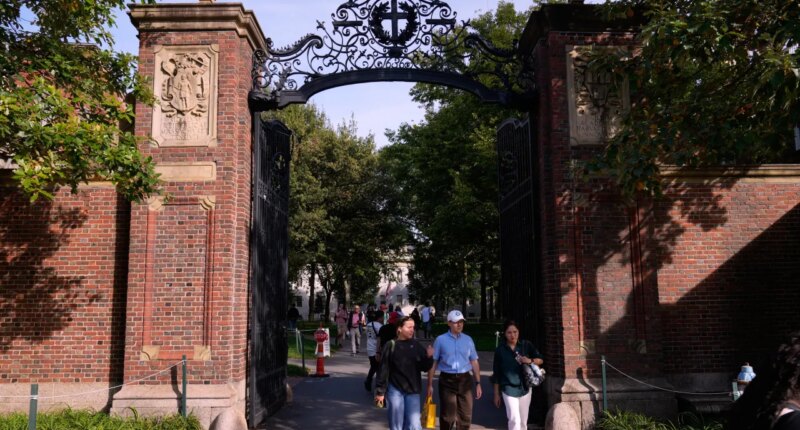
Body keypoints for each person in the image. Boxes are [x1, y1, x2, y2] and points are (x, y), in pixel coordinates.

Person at [375, 316, 435, 430]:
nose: (412, 330)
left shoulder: (416, 345)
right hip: (395, 390)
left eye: (413, 327)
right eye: (409, 327)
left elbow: (425, 367)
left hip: (413, 390)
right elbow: (383, 369)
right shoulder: (391, 345)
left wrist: (429, 357)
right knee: (396, 425)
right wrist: (380, 392)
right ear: (399, 328)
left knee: (414, 425)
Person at [427, 309, 482, 430]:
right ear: (449, 323)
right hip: (447, 380)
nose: (459, 324)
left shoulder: (468, 340)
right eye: (456, 322)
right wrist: (429, 384)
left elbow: (474, 361)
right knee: (448, 417)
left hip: (465, 380)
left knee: (465, 416)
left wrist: (478, 383)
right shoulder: (440, 340)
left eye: (461, 322)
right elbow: (434, 362)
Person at [491, 320, 544, 430]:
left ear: (518, 332)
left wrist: (530, 360)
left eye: (515, 332)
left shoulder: (526, 345)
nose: (513, 335)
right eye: (509, 332)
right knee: (514, 420)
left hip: (525, 388)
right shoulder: (500, 350)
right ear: (505, 334)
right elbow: (496, 374)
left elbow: (540, 360)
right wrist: (496, 394)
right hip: (508, 388)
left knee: (523, 422)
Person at [365, 310, 385, 391]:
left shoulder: (369, 325)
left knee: (374, 366)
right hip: (376, 348)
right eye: (383, 317)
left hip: (369, 347)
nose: (383, 319)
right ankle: (373, 383)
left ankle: (369, 381)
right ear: (380, 318)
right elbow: (381, 338)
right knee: (377, 367)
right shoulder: (380, 326)